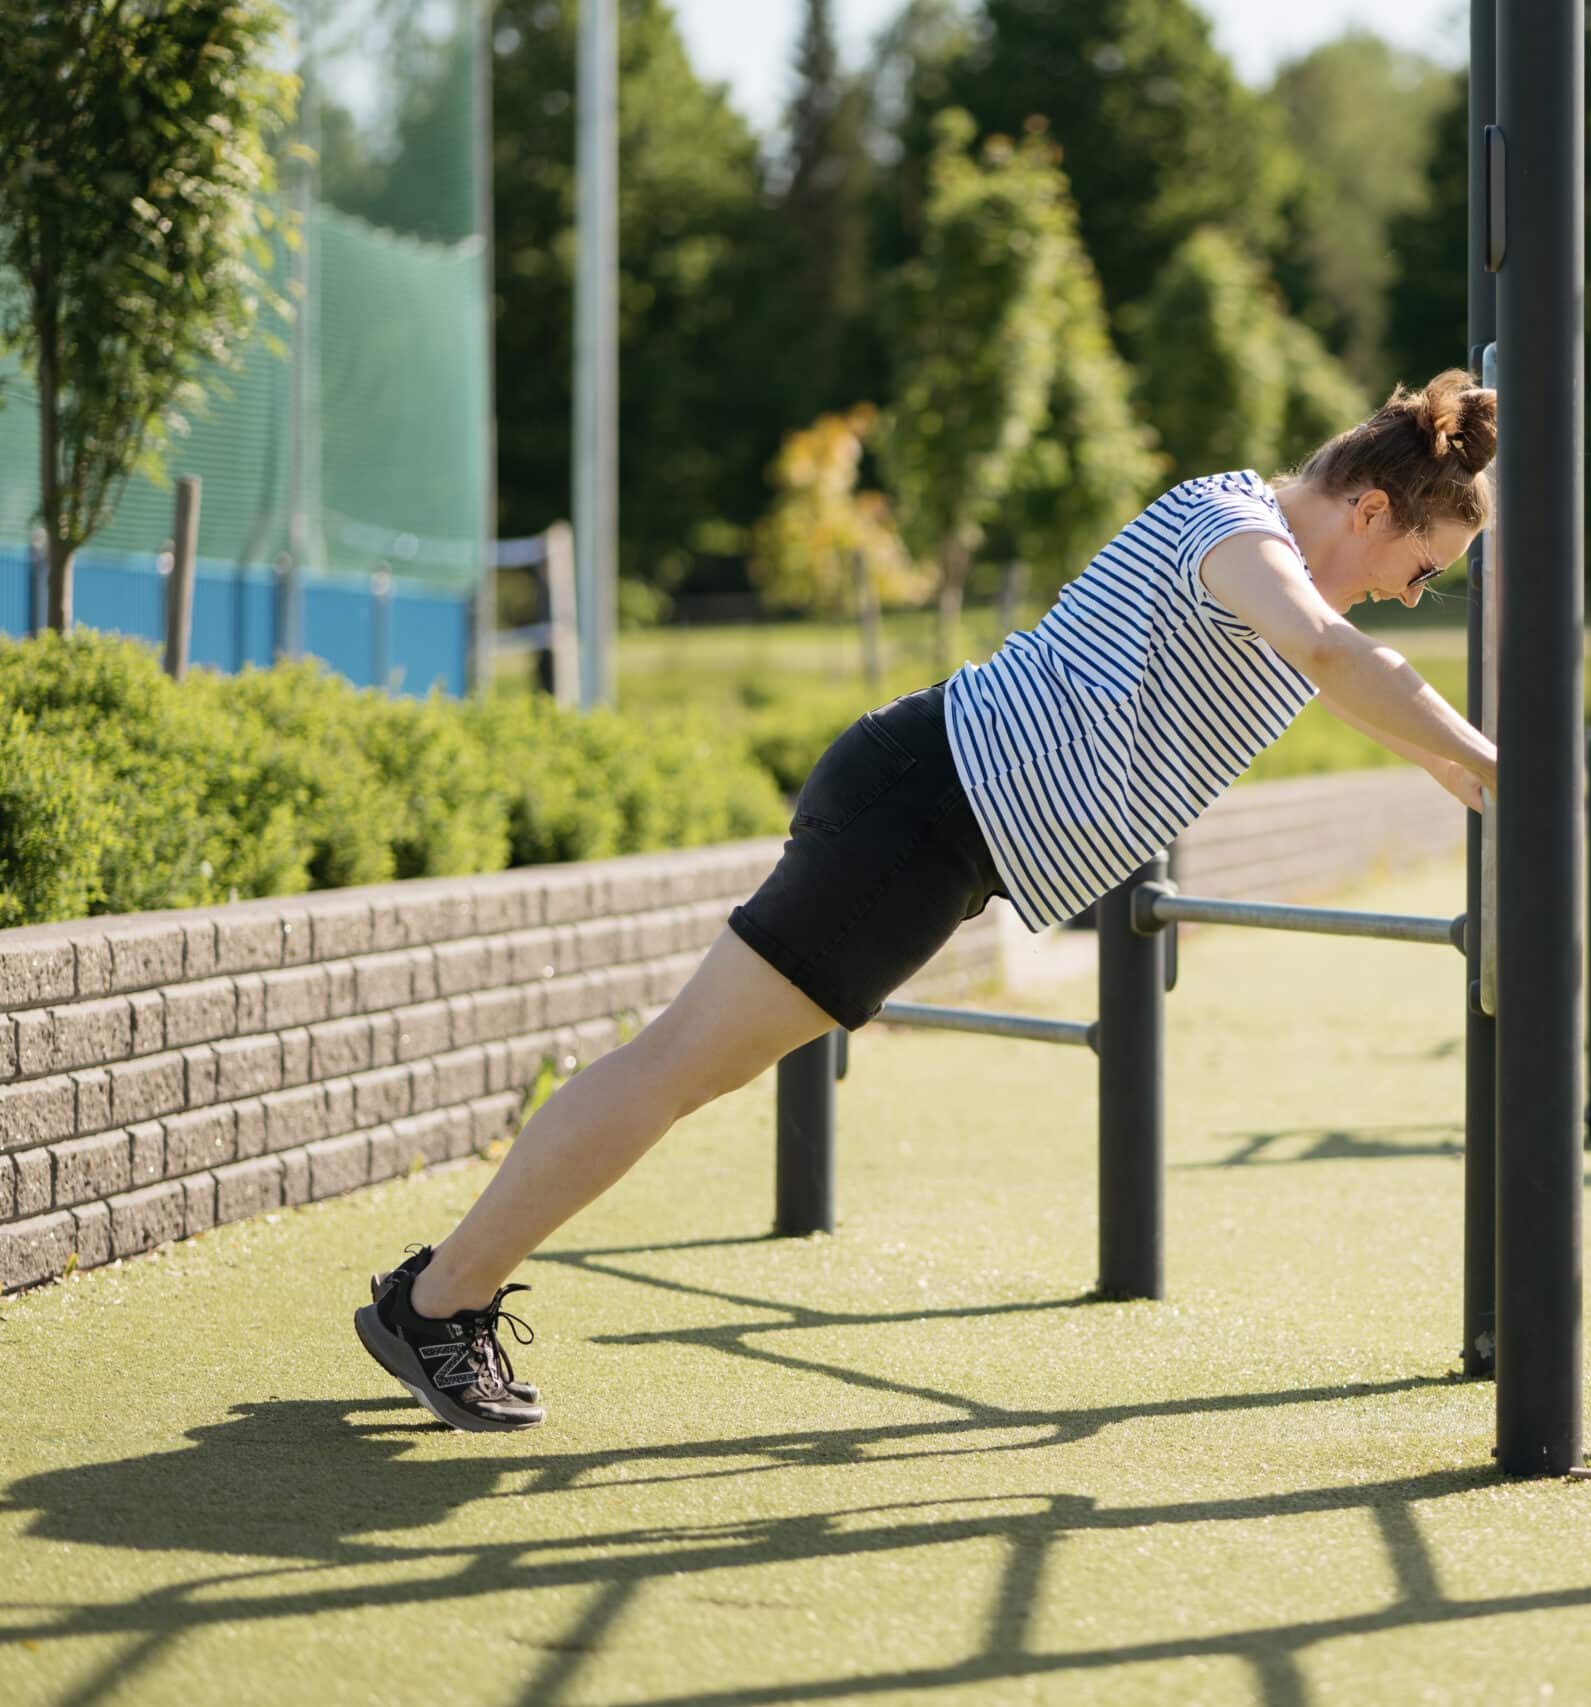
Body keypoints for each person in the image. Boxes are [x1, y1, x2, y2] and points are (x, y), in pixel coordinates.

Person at [353, 370, 1502, 1431]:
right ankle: (438, 1301)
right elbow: (1335, 657)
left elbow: (1362, 685)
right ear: (1367, 508)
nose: (1414, 594)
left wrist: (1468, 772)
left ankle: (437, 1291)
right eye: (1424, 566)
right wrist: (1499, 768)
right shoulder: (1240, 536)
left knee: (685, 1067)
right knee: (675, 1067)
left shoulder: (1266, 554)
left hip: (942, 828)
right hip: (923, 812)